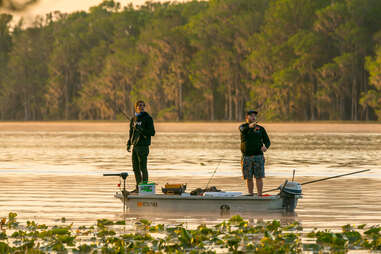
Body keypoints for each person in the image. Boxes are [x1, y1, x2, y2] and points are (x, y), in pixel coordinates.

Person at [239, 110, 270, 196]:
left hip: (258, 156)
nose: (253, 117)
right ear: (247, 117)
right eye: (251, 115)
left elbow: (267, 141)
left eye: (254, 116)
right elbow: (243, 130)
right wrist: (249, 126)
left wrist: (266, 146)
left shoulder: (261, 129)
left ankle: (260, 195)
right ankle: (250, 194)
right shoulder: (243, 127)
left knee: (259, 177)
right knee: (248, 178)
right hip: (246, 157)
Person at [127, 100, 155, 193]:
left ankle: (145, 187)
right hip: (135, 146)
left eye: (143, 105)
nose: (141, 107)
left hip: (143, 147)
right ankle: (138, 187)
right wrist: (128, 143)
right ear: (136, 107)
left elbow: (152, 132)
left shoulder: (148, 118)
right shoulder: (133, 119)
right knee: (135, 168)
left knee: (143, 167)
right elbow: (131, 132)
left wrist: (142, 130)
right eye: (139, 105)